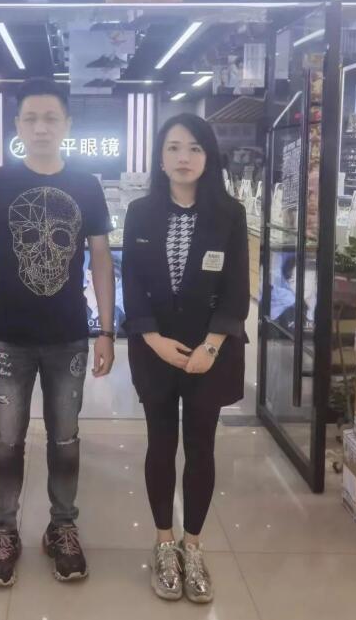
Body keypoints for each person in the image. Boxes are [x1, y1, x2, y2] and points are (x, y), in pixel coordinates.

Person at [0, 78, 115, 587]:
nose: (41, 127)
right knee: (6, 441)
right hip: (8, 336)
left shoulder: (87, 185)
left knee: (66, 438)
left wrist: (106, 330)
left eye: (51, 117)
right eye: (31, 118)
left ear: (66, 125)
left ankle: (62, 527)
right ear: (18, 126)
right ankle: (4, 530)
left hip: (68, 336)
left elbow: (101, 259)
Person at [122, 113, 249, 604]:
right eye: (174, 147)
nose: (183, 157)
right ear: (160, 158)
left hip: (208, 353)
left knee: (201, 447)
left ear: (208, 157)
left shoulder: (229, 214)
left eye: (195, 148)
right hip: (156, 350)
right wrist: (151, 338)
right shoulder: (140, 212)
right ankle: (163, 543)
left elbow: (236, 288)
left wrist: (212, 347)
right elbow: (132, 281)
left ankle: (192, 546)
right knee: (160, 443)